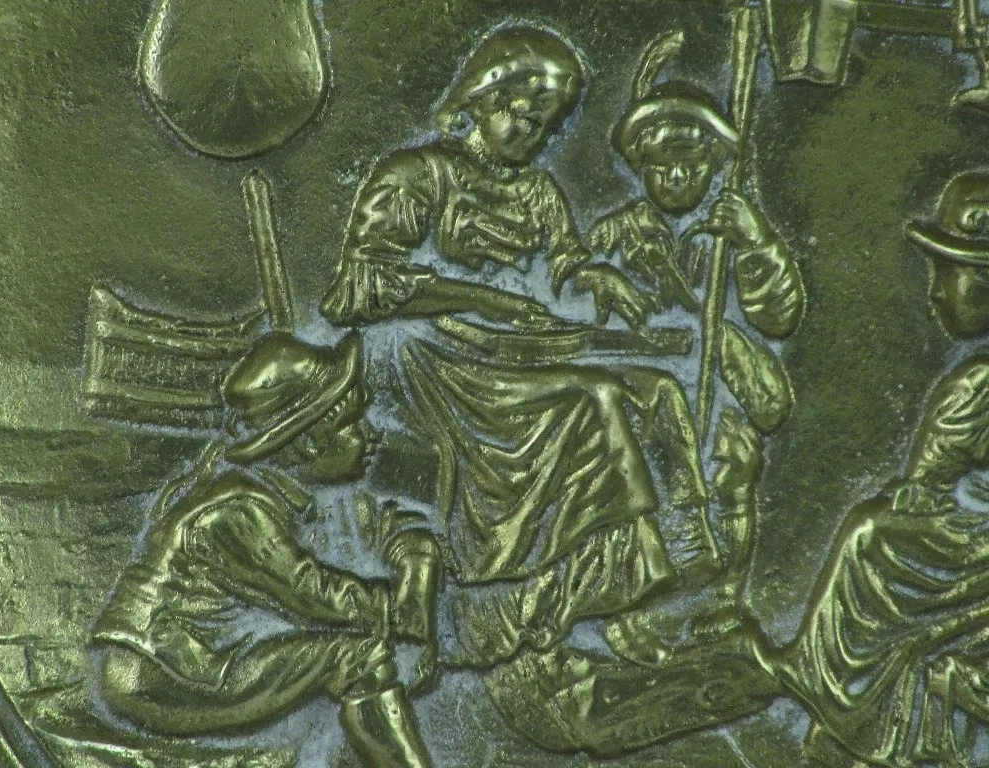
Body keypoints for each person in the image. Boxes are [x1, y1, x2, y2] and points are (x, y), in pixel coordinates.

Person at [321, 25, 719, 669]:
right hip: (429, 357)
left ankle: (667, 564)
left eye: (545, 126)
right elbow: (359, 285)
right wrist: (481, 301)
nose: (533, 136)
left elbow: (562, 264)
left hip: (514, 347)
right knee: (595, 402)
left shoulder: (537, 191)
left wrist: (592, 276)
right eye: (523, 117)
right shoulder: (417, 175)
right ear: (482, 98)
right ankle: (566, 596)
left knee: (660, 393)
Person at [89, 332, 437, 768]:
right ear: (308, 441)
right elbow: (308, 592)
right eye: (352, 425)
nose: (371, 434)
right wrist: (395, 610)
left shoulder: (286, 497)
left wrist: (416, 562)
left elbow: (383, 527)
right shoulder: (238, 511)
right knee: (356, 655)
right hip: (161, 676)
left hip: (185, 664)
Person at [758, 171, 989, 767]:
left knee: (870, 540)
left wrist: (920, 495)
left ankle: (832, 687)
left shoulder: (978, 384)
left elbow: (931, 480)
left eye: (950, 274)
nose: (935, 293)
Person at [592, 32, 804, 345]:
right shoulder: (617, 234)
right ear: (640, 167)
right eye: (661, 166)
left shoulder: (731, 231)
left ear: (715, 163)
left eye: (692, 167)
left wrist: (756, 244)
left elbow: (779, 321)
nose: (677, 177)